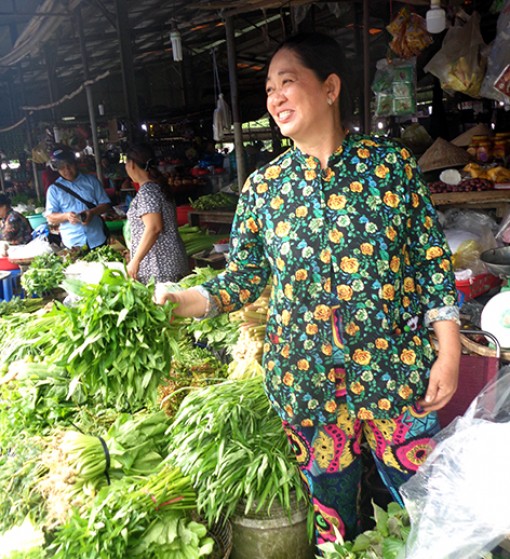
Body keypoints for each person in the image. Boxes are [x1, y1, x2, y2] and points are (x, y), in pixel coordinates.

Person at [156, 33, 461, 546]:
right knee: (334, 524)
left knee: (420, 510)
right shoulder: (264, 188)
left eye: (287, 82)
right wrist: (181, 300)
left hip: (393, 375)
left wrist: (448, 352)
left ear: (330, 88)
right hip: (307, 384)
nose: (274, 98)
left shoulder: (389, 168)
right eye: (270, 88)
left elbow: (432, 262)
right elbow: (243, 279)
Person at [124, 143, 189, 284]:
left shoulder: (148, 192)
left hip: (159, 267)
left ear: (132, 165)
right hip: (170, 263)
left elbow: (154, 227)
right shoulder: (157, 187)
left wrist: (135, 260)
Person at [45, 147, 112, 250]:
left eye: (69, 165)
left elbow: (106, 205)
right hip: (73, 243)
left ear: (75, 163)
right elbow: (50, 217)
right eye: (62, 167)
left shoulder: (92, 181)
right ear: (57, 169)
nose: (67, 170)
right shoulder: (53, 190)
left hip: (97, 238)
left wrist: (92, 212)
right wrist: (66, 216)